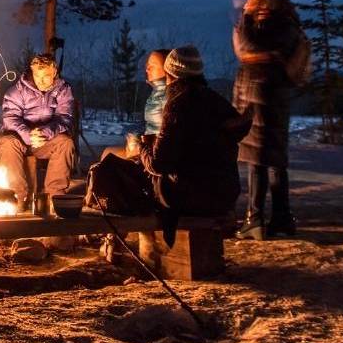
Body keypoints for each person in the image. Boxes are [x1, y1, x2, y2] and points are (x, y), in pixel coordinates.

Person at [85, 46, 249, 246]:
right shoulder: (215, 101)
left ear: (170, 72)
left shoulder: (178, 103)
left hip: (188, 196)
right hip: (222, 195)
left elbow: (158, 164)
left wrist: (141, 147)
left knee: (108, 169)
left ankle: (115, 237)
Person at [233, 0, 311, 239]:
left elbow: (246, 46)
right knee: (275, 156)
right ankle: (281, 218)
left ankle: (254, 218)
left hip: (260, 95)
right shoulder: (289, 22)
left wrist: (243, 18)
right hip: (276, 95)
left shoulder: (267, 24)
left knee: (258, 158)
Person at [0, 54, 77, 205]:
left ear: (54, 72)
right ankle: (17, 196)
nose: (41, 80)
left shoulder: (63, 90)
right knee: (7, 142)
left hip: (47, 140)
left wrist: (45, 133)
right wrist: (28, 135)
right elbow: (10, 118)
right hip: (22, 139)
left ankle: (55, 196)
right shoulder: (17, 90)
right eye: (37, 75)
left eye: (46, 76)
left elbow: (65, 117)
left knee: (65, 143)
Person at [100, 49, 171, 160]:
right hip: (149, 150)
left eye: (153, 65)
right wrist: (138, 137)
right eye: (147, 65)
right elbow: (153, 127)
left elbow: (166, 136)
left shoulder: (169, 96)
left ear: (167, 68)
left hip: (155, 157)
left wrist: (139, 146)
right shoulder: (157, 93)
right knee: (108, 153)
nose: (147, 69)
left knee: (108, 156)